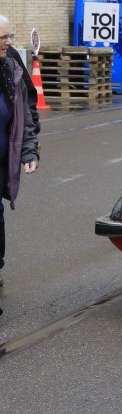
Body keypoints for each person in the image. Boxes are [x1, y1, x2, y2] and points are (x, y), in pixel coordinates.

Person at [0, 16, 41, 314]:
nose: (8, 42)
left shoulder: (11, 65)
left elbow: (25, 111)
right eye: (3, 37)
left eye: (9, 36)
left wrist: (30, 150)